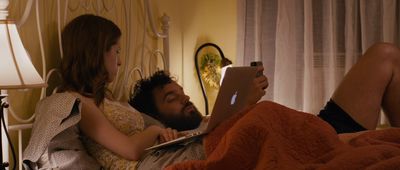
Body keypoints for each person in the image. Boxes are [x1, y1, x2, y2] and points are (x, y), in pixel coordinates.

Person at [24, 14, 201, 170]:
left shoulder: (105, 99)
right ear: (97, 53)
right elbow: (130, 150)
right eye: (117, 51)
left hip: (160, 156)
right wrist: (155, 130)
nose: (120, 61)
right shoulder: (78, 103)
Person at [129, 42, 400, 137]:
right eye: (171, 98)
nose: (186, 97)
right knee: (385, 55)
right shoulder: (178, 143)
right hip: (324, 139)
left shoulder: (211, 121)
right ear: (157, 115)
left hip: (316, 126)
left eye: (182, 91)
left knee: (385, 54)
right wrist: (246, 105)